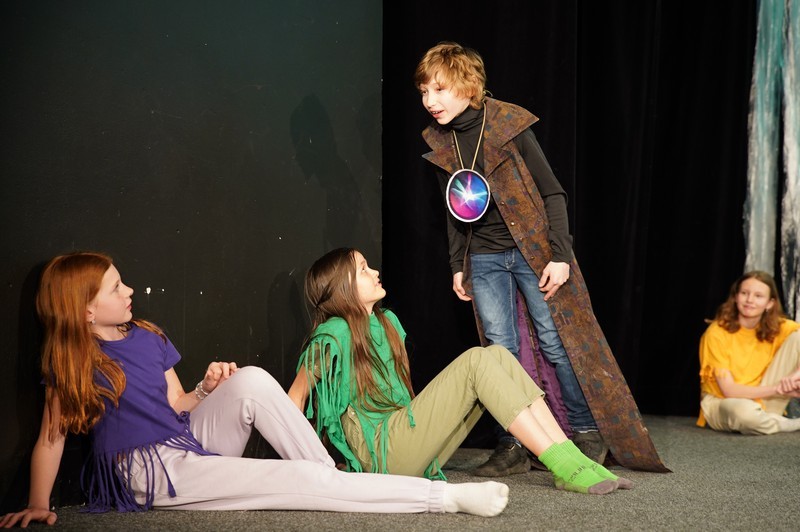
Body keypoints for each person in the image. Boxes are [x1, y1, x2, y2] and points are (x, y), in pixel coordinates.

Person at [0, 252, 514, 528]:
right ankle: (442, 499)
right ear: (84, 310)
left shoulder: (148, 335)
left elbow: (178, 405)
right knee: (296, 481)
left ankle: (328, 476)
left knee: (250, 378)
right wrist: (39, 501)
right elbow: (51, 437)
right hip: (148, 472)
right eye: (116, 288)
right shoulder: (73, 360)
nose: (130, 289)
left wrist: (206, 388)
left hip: (185, 439)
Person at [413, 41, 668, 475]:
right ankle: (514, 442)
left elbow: (552, 193)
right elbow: (454, 208)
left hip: (532, 252)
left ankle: (585, 432)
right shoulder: (440, 140)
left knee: (554, 340)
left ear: (468, 86)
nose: (429, 101)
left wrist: (560, 255)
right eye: (423, 91)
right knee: (500, 352)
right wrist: (458, 264)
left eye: (439, 89)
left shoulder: (508, 123)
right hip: (485, 257)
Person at [288, 247, 634, 497]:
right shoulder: (332, 334)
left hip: (408, 445)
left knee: (497, 354)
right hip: (382, 456)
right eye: (363, 269)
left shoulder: (387, 322)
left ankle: (571, 457)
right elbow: (295, 399)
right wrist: (311, 468)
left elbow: (402, 397)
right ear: (342, 287)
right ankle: (563, 465)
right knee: (476, 361)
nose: (375, 272)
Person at [697, 270, 800, 434]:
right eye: (744, 293)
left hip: (765, 399)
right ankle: (783, 424)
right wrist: (778, 389)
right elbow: (729, 390)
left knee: (798, 337)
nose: (750, 300)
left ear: (770, 303)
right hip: (724, 402)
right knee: (744, 412)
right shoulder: (716, 333)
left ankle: (765, 420)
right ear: (736, 297)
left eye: (758, 296)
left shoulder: (779, 327)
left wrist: (797, 374)